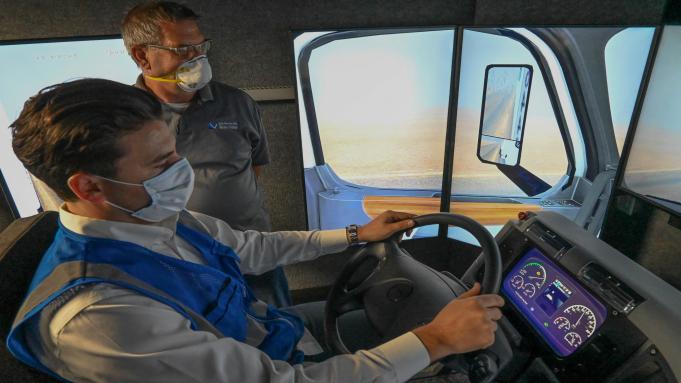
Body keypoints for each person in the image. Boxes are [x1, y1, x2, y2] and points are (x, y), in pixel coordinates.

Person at [7, 79, 504, 382]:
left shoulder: (153, 216)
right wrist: (435, 342)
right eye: (162, 162)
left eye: (175, 152)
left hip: (269, 337)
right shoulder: (101, 320)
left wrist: (357, 234)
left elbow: (252, 248)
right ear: (91, 187)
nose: (182, 169)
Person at [121, 1, 291, 306]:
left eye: (201, 47)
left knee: (282, 330)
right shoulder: (121, 117)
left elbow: (254, 166)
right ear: (143, 56)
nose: (197, 58)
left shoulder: (237, 103)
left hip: (252, 252)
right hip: (177, 262)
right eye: (183, 50)